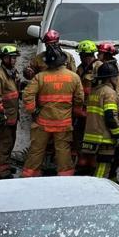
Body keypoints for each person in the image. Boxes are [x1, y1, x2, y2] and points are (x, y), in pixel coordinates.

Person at [21, 48, 84, 177]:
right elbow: (79, 98)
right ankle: (65, 177)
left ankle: (29, 176)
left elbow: (27, 95)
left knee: (37, 150)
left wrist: (33, 110)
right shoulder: (74, 77)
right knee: (63, 151)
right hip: (63, 122)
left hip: (43, 122)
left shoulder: (40, 77)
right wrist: (76, 110)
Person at [80, 62, 119, 178]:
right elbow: (110, 117)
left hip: (91, 138)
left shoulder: (95, 91)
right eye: (115, 77)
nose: (117, 79)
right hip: (104, 139)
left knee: (109, 168)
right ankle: (97, 192)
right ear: (110, 78)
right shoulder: (110, 93)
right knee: (102, 170)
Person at [0, 45, 23, 178]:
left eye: (15, 58)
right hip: (3, 118)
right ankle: (2, 172)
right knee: (3, 144)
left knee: (10, 142)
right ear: (4, 58)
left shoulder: (12, 72)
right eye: (11, 58)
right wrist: (0, 114)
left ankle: (6, 165)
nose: (14, 60)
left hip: (12, 116)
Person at [73, 40, 99, 156]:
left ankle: (92, 157)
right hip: (82, 107)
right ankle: (82, 156)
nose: (80, 57)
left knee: (93, 134)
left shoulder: (98, 67)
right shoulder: (80, 68)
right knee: (79, 132)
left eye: (81, 55)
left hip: (94, 107)